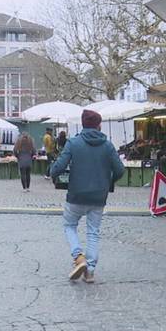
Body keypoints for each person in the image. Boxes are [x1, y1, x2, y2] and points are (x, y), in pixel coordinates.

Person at [50, 110, 124, 284]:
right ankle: (89, 271)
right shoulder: (107, 145)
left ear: (83, 124)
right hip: (99, 196)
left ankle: (78, 257)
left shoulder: (73, 143)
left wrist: (52, 173)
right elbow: (120, 170)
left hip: (76, 194)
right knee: (93, 232)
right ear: (99, 126)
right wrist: (109, 182)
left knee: (69, 225)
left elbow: (59, 166)